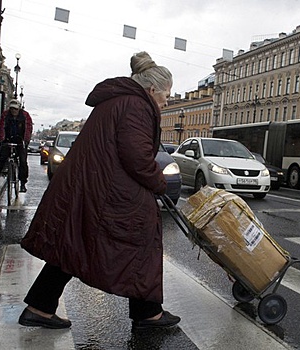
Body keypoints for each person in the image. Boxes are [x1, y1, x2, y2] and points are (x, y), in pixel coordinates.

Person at [18, 51, 180, 331]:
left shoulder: (119, 100)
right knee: (140, 238)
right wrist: (159, 182)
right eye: (166, 95)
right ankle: (147, 313)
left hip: (91, 184)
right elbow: (137, 157)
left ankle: (40, 307)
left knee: (74, 243)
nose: (166, 102)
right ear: (153, 89)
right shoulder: (137, 105)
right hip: (102, 189)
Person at [0, 99, 32, 192]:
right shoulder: (5, 115)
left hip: (20, 141)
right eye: (12, 109)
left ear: (19, 109)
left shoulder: (25, 115)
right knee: (1, 159)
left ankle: (23, 184)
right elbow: (1, 127)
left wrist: (25, 141)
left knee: (23, 162)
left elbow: (28, 129)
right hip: (8, 140)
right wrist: (2, 139)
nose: (13, 111)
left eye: (15, 109)